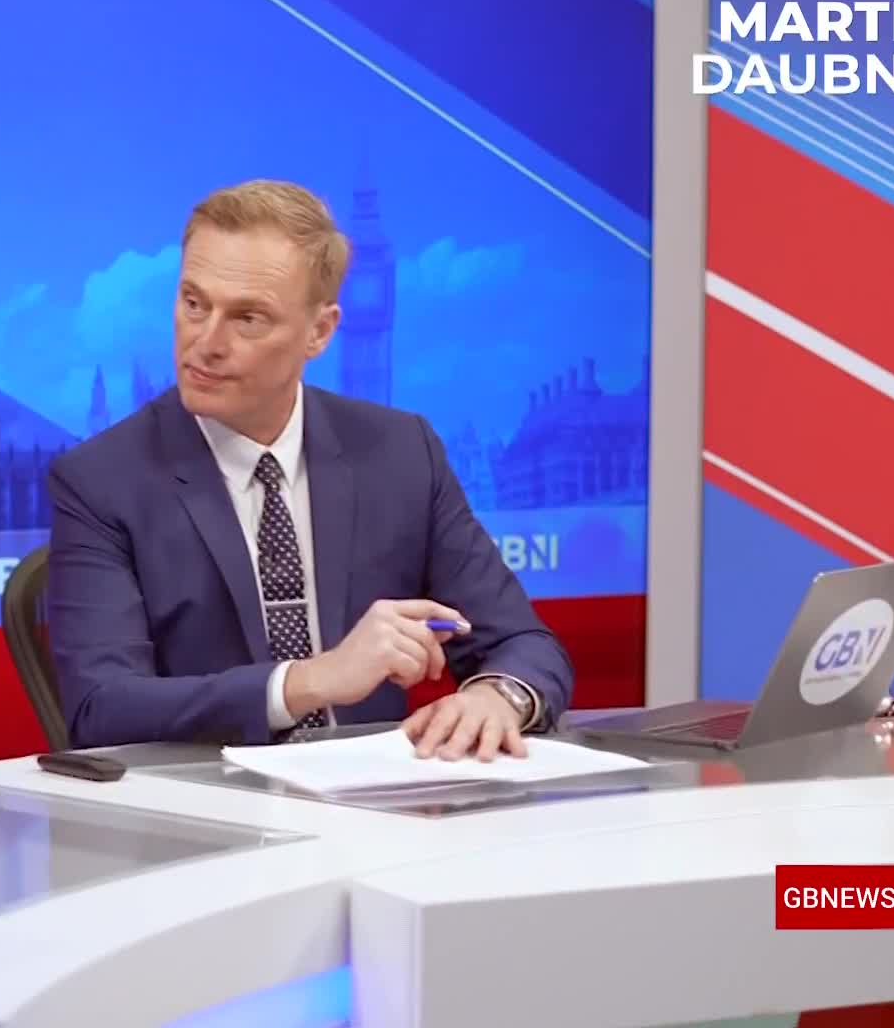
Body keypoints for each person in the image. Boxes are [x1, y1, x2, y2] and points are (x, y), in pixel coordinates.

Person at [46, 180, 573, 754]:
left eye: (247, 318)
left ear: (319, 332)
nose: (205, 342)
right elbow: (102, 709)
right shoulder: (101, 480)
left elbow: (525, 645)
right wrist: (310, 680)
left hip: (377, 819)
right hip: (205, 818)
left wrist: (498, 697)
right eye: (194, 303)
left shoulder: (401, 453)